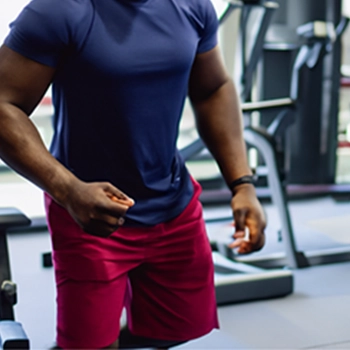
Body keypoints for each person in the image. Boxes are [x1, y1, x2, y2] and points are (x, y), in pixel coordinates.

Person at [0, 0, 266, 349]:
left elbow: (212, 88)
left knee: (179, 328)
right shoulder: (59, 11)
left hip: (174, 202)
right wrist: (68, 190)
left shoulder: (192, 6)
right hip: (90, 209)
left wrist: (242, 184)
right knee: (91, 343)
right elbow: (4, 105)